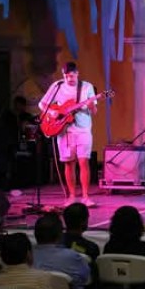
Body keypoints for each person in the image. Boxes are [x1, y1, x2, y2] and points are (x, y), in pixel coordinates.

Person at [38, 61, 98, 207]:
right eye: (66, 76)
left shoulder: (87, 87)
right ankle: (71, 196)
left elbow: (94, 111)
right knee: (69, 163)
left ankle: (85, 196)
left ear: (77, 74)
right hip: (64, 129)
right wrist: (52, 112)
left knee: (83, 161)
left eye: (71, 76)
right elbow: (42, 104)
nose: (69, 79)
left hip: (83, 129)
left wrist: (91, 105)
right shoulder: (57, 86)